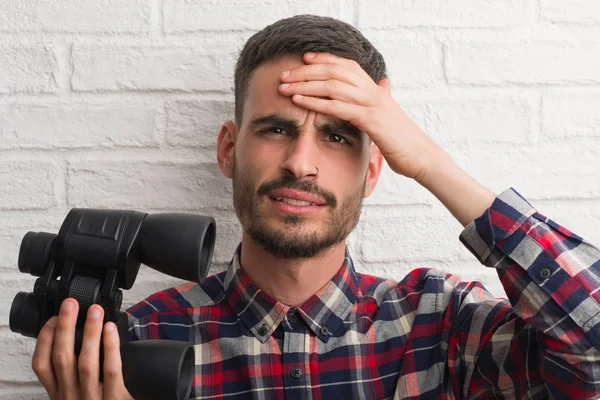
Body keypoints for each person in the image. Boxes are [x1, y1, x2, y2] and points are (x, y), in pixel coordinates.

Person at [31, 14, 600, 400]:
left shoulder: (440, 326)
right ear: (229, 149)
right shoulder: (139, 341)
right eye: (276, 129)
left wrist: (428, 162)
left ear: (375, 168)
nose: (302, 163)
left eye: (337, 137)